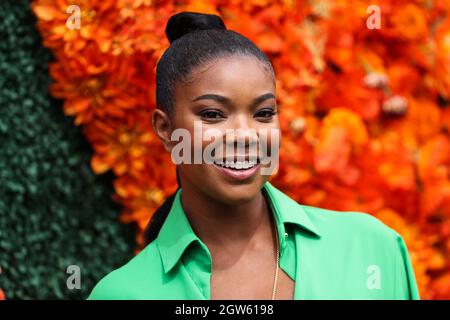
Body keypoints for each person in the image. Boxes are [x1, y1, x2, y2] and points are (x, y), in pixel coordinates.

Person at [88, 11, 420, 300]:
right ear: (165, 129)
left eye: (263, 113)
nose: (245, 136)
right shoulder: (123, 293)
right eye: (214, 114)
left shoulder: (372, 249)